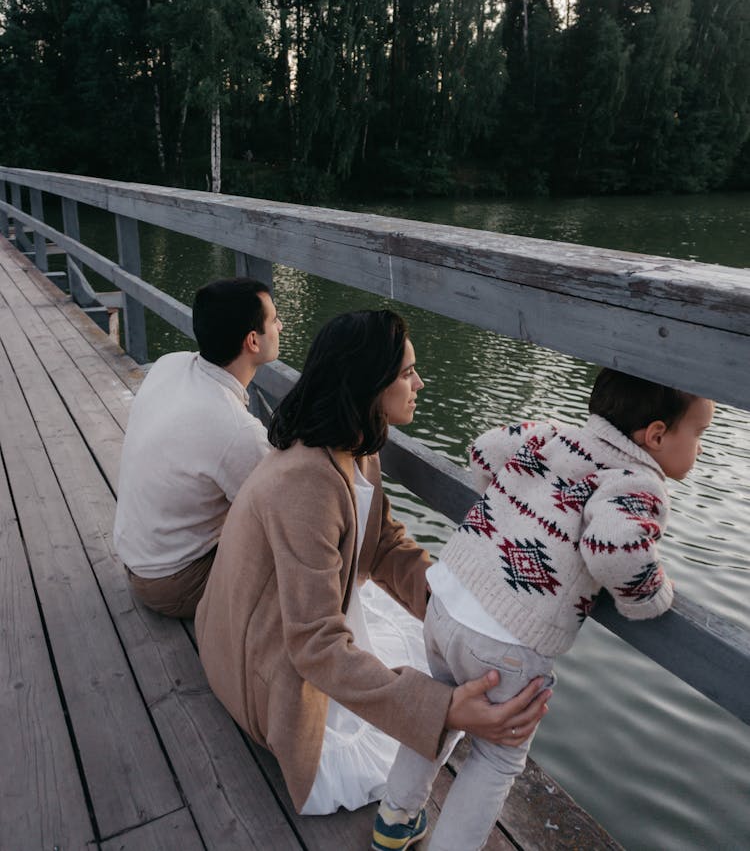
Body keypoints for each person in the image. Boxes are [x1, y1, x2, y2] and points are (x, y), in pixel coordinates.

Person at [195, 310, 551, 816]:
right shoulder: (307, 484)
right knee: (425, 704)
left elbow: (382, 542)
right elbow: (315, 644)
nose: (420, 383)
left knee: (438, 647)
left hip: (271, 627)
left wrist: (451, 607)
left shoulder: (353, 442)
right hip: (263, 669)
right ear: (369, 382)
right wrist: (446, 711)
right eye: (407, 373)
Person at [372, 369, 715, 851]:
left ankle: (394, 820)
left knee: (441, 707)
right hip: (507, 639)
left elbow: (486, 450)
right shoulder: (638, 482)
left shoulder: (554, 434)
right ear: (656, 435)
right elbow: (616, 550)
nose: (700, 447)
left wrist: (517, 514)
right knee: (495, 759)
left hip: (448, 597)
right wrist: (654, 594)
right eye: (699, 434)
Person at [114, 277, 282, 618]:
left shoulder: (169, 364)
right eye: (274, 320)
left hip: (138, 558)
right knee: (294, 558)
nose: (281, 325)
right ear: (252, 340)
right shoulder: (236, 430)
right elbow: (280, 517)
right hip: (172, 584)